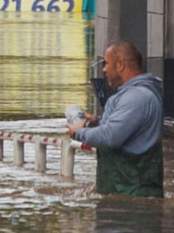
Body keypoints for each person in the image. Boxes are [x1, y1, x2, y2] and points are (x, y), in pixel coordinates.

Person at [65, 41, 164, 197]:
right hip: (123, 194)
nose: (103, 69)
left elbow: (110, 137)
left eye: (106, 64)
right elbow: (120, 130)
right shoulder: (131, 96)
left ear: (120, 65)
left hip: (133, 199)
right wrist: (97, 122)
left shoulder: (136, 98)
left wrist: (78, 133)